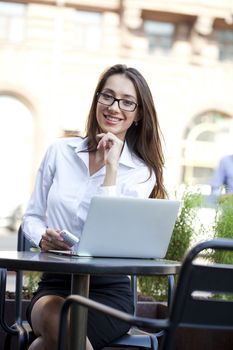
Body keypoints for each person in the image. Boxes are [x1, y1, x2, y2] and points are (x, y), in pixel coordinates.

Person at [22, 63, 167, 350]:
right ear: (97, 99)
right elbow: (32, 216)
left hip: (110, 292)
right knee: (55, 318)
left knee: (42, 347)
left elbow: (112, 234)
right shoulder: (59, 152)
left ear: (137, 116)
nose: (114, 107)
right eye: (108, 96)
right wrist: (42, 237)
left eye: (127, 102)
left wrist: (112, 169)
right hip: (56, 283)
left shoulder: (141, 172)